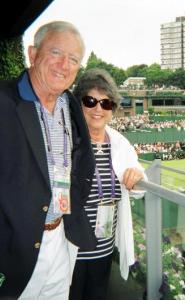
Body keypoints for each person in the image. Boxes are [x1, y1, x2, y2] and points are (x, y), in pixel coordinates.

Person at [0, 21, 97, 299]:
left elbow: (80, 162)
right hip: (15, 248)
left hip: (61, 239)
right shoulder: (4, 101)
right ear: (33, 54)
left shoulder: (71, 105)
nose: (63, 65)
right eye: (55, 52)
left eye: (74, 59)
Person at [69, 68, 146, 300]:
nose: (98, 109)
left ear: (113, 109)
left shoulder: (120, 143)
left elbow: (140, 187)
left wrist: (137, 177)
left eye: (106, 103)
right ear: (78, 103)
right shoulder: (68, 140)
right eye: (90, 101)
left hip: (104, 250)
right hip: (70, 251)